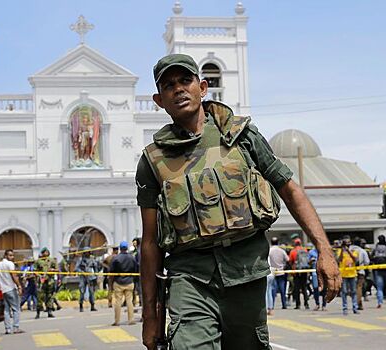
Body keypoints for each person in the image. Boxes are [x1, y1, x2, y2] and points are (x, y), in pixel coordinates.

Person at [137, 53, 341, 350]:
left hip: (246, 274)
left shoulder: (241, 136)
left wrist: (324, 250)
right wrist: (150, 315)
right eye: (169, 85)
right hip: (190, 278)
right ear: (159, 100)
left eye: (185, 80)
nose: (178, 89)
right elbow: (150, 242)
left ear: (203, 87)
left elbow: (290, 189)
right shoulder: (152, 160)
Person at [0, 249, 24, 334]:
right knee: (16, 309)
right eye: (10, 255)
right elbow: (14, 275)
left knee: (6, 310)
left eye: (12, 255)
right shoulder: (10, 264)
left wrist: (0, 285)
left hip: (3, 290)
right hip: (11, 289)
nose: (12, 257)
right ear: (5, 256)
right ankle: (16, 327)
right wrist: (19, 286)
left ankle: (8, 329)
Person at [110, 241, 138, 326]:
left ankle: (117, 321)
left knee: (118, 301)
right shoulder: (132, 257)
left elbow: (111, 271)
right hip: (129, 281)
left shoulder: (116, 258)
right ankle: (131, 319)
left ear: (120, 248)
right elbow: (135, 269)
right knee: (129, 301)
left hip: (118, 282)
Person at [371, 235, 386, 308]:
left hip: (378, 269)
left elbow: (371, 257)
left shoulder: (375, 248)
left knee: (379, 287)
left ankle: (380, 302)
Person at [337, 236, 359, 315]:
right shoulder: (340, 251)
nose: (347, 245)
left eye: (348, 243)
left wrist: (348, 251)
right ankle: (345, 308)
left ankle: (355, 308)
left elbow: (355, 260)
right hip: (344, 274)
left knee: (353, 292)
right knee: (344, 292)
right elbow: (339, 260)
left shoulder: (353, 250)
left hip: (352, 273)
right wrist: (343, 251)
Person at [34, 247, 58, 318]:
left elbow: (57, 269)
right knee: (40, 297)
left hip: (50, 281)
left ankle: (49, 311)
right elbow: (35, 271)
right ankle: (38, 312)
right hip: (41, 282)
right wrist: (39, 275)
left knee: (50, 296)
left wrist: (53, 270)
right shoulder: (38, 261)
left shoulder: (52, 260)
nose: (46, 253)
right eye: (44, 252)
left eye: (47, 252)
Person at [288, 239, 310, 310]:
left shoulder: (293, 251)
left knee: (297, 288)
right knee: (304, 287)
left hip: (296, 271)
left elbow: (290, 261)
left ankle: (298, 304)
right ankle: (306, 304)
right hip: (304, 270)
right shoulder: (305, 250)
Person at [75, 248, 99, 312]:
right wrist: (82, 272)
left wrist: (96, 276)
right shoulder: (80, 260)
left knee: (91, 292)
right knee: (82, 291)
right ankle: (81, 305)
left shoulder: (92, 259)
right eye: (87, 252)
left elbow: (96, 268)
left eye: (89, 252)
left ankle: (92, 305)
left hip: (91, 277)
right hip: (83, 277)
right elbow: (76, 268)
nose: (88, 253)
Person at [268, 237, 289, 310]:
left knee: (273, 289)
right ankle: (284, 304)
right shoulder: (281, 251)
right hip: (281, 271)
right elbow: (287, 259)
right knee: (282, 289)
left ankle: (272, 305)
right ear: (278, 242)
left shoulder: (269, 250)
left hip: (272, 272)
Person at [351, 237, 369, 310]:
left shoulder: (349, 250)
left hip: (349, 272)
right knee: (359, 288)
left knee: (351, 289)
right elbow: (367, 262)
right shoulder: (362, 251)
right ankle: (359, 304)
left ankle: (352, 303)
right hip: (360, 271)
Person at [308, 246, 326, 311]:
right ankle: (317, 304)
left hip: (323, 273)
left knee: (324, 289)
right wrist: (311, 261)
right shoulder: (311, 252)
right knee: (315, 289)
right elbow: (308, 263)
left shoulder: (324, 252)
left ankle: (324, 305)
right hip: (314, 273)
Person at [131, 237, 143, 308]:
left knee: (139, 288)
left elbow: (137, 263)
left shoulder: (138, 251)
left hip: (138, 272)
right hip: (139, 272)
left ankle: (141, 301)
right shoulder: (137, 250)